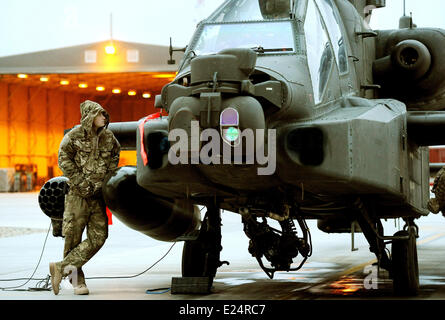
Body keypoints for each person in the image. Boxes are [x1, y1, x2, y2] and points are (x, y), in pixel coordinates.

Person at [49, 100, 120, 295]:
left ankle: (60, 267)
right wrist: (81, 182)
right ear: (90, 116)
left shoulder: (109, 137)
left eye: (105, 114)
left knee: (99, 237)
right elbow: (63, 158)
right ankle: (77, 282)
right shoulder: (74, 136)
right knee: (72, 239)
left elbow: (115, 154)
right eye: (100, 114)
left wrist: (108, 177)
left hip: (97, 196)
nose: (104, 118)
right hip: (77, 196)